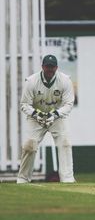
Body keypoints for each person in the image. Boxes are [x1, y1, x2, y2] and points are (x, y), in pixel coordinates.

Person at [17, 54, 76, 183]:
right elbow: (24, 104)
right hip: (36, 117)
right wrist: (36, 114)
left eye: (52, 67)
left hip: (57, 116)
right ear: (42, 66)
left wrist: (55, 114)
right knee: (29, 146)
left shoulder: (65, 80)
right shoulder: (32, 81)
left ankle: (67, 179)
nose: (50, 70)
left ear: (56, 67)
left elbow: (68, 104)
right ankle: (23, 179)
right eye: (47, 67)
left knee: (65, 143)